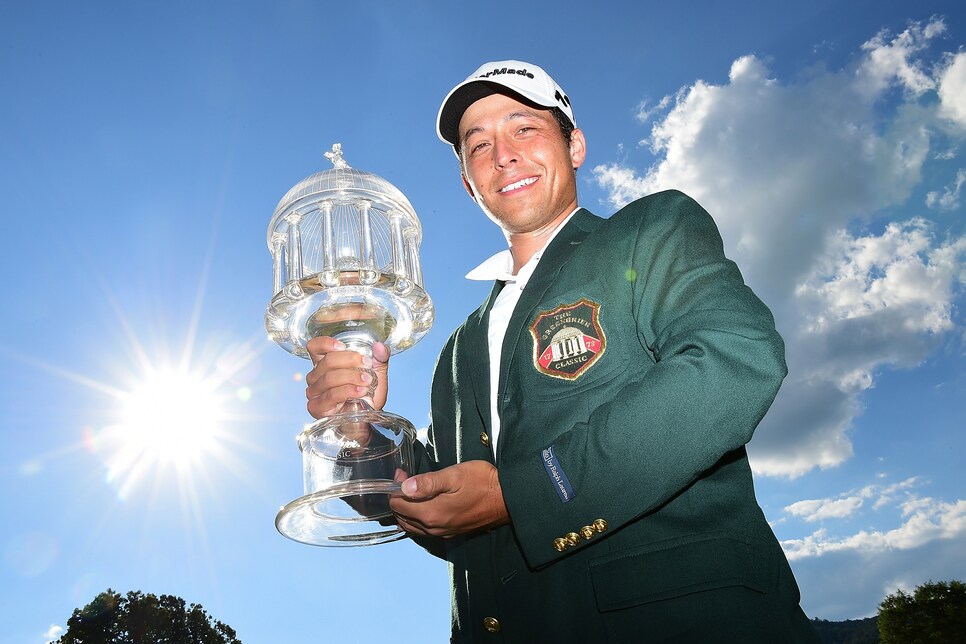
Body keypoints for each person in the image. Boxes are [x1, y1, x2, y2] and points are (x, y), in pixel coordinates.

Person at [305, 60, 821, 642]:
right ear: (469, 182)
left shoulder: (648, 233)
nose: (502, 154)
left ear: (574, 145)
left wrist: (523, 494)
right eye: (479, 145)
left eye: (523, 128)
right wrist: (360, 433)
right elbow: (452, 509)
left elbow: (737, 359)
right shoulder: (458, 350)